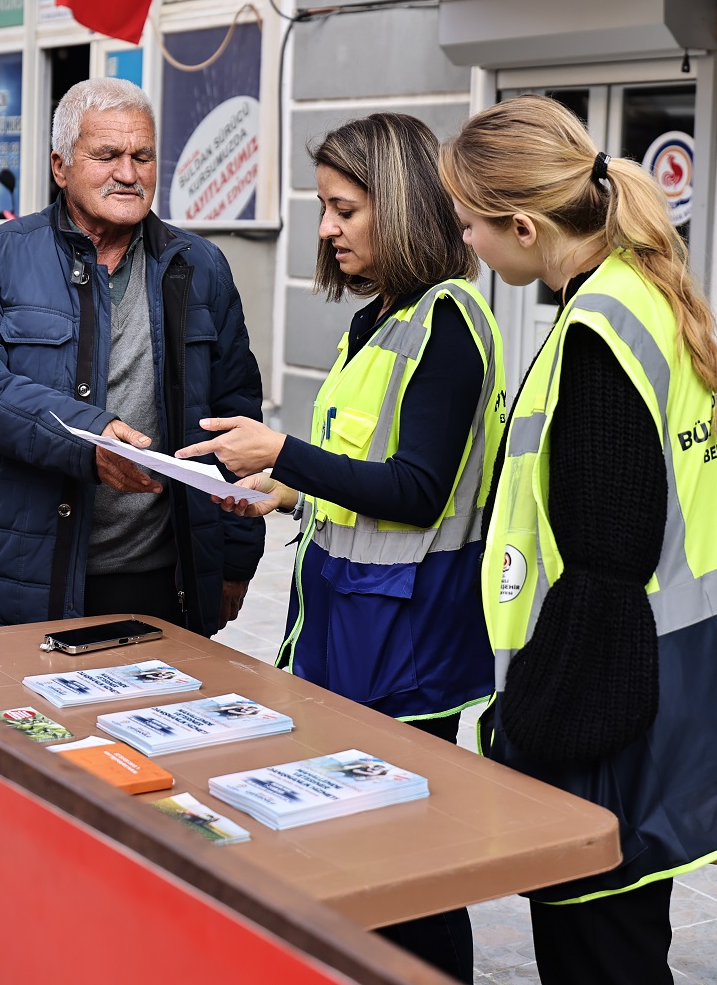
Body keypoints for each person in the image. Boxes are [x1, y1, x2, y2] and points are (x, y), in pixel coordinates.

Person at [439, 97, 717, 985]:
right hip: (670, 678)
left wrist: (523, 732)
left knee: (599, 953)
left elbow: (604, 565)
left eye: (473, 225)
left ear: (524, 224)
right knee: (627, 943)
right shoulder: (634, 289)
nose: (470, 246)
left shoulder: (598, 331)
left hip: (611, 704)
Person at [177, 113, 504, 982]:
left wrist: (283, 451)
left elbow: (419, 488)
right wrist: (288, 489)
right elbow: (367, 471)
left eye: (343, 209)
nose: (326, 228)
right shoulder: (379, 321)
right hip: (345, 625)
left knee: (407, 866)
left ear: (398, 207)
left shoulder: (449, 324)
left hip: (408, 644)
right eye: (325, 207)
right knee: (357, 848)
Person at [0, 77, 263, 634]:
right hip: (29, 575)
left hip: (164, 578)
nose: (129, 174)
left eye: (143, 156)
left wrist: (235, 559)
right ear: (61, 167)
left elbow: (237, 416)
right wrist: (87, 440)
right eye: (106, 155)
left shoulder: (200, 266)